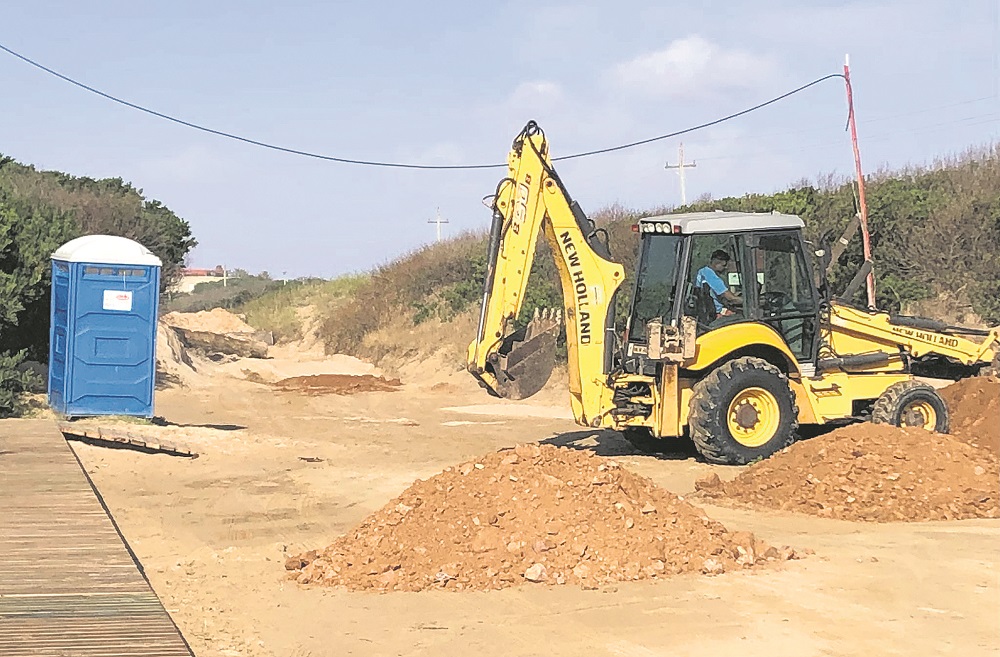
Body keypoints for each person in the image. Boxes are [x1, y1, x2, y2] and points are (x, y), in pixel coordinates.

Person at [695, 249, 742, 317]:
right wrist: (748, 302)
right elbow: (730, 298)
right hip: (713, 314)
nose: (726, 268)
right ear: (716, 263)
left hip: (710, 311)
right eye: (724, 265)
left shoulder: (703, 272)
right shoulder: (709, 275)